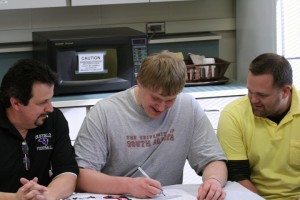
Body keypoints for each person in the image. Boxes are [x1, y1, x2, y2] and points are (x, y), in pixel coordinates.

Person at [74, 51, 228, 200]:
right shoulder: (105, 112)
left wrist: (213, 181)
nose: (161, 107)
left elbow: (213, 160)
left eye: (170, 100)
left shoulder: (188, 107)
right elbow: (81, 177)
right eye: (156, 98)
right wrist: (129, 186)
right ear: (139, 82)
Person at [217, 53, 300, 200]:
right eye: (250, 91)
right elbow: (237, 175)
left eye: (262, 95)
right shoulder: (233, 115)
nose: (253, 100)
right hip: (252, 197)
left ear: (285, 91)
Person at [0, 59, 79, 200]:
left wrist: (47, 195)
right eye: (43, 102)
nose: (50, 108)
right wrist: (15, 198)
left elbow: (67, 172)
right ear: (16, 103)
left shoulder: (54, 119)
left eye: (50, 99)